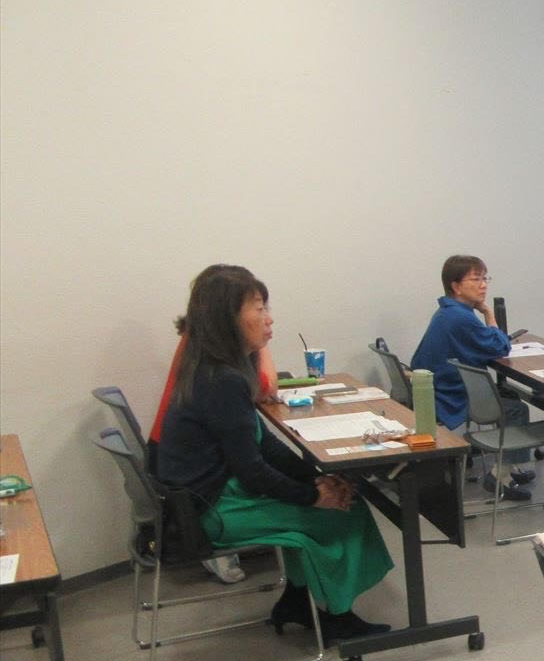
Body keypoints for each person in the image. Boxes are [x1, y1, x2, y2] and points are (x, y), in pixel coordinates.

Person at [156, 266, 394, 640]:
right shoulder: (222, 381)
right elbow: (253, 470)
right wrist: (314, 495)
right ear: (228, 319)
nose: (269, 318)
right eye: (259, 308)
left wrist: (316, 478)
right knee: (343, 513)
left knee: (327, 503)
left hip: (208, 496)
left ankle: (298, 600)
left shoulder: (217, 369)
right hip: (210, 512)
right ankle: (338, 616)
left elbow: (264, 444)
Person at [148, 265, 280, 584]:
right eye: (257, 307)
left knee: (278, 468)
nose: (267, 317)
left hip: (177, 462)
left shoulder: (200, 347)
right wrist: (258, 343)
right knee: (320, 509)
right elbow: (266, 386)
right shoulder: (217, 369)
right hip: (197, 486)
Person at [410, 255, 535, 501]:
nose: (483, 285)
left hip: (441, 388)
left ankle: (510, 466)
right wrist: (488, 312)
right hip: (451, 396)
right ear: (456, 286)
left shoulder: (449, 311)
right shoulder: (460, 317)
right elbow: (500, 346)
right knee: (516, 410)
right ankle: (500, 476)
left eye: (485, 278)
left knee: (508, 396)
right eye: (476, 279)